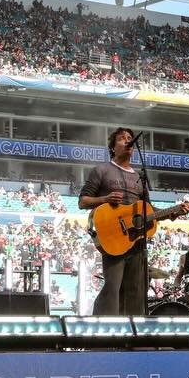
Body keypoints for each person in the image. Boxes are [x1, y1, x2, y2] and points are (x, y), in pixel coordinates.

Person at [79, 127, 150, 315]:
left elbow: (149, 209)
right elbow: (83, 201)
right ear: (112, 147)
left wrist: (175, 212)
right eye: (121, 138)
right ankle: (103, 327)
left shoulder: (139, 177)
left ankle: (133, 329)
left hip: (136, 239)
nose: (127, 141)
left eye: (129, 138)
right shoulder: (102, 170)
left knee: (136, 290)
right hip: (113, 237)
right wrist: (105, 199)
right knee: (112, 287)